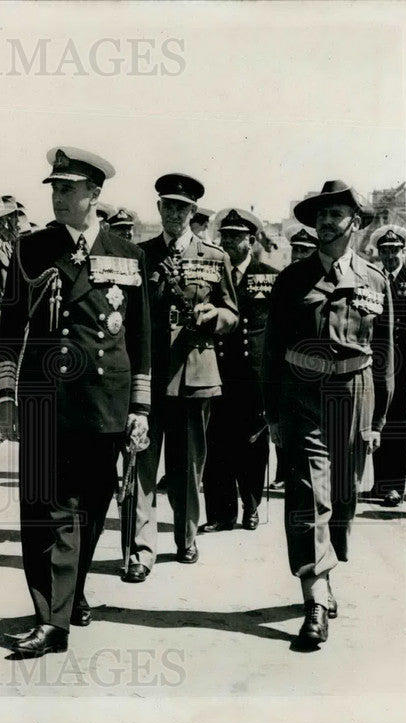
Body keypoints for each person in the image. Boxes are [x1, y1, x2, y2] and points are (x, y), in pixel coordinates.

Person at [0, 147, 151, 658]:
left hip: (105, 401)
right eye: (54, 188)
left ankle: (70, 592)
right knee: (45, 512)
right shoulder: (29, 249)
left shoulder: (128, 255)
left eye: (69, 189)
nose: (59, 197)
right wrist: (4, 395)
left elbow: (142, 339)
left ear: (94, 194)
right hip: (45, 400)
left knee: (92, 508)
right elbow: (10, 329)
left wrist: (140, 409)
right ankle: (52, 620)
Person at [262, 180, 393, 646]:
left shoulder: (375, 280)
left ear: (354, 222)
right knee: (305, 493)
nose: (325, 221)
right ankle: (315, 595)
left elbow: (384, 353)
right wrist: (273, 412)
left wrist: (377, 421)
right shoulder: (291, 279)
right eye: (320, 214)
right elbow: (272, 350)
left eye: (335, 214)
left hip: (355, 395)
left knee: (341, 497)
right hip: (303, 393)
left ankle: (327, 569)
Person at [132, 174, 238, 579]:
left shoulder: (214, 257)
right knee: (141, 461)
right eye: (168, 205)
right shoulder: (140, 255)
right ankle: (141, 550)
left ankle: (186, 536)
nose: (175, 213)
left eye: (182, 207)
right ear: (158, 209)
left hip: (195, 374)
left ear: (194, 212)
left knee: (188, 466)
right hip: (150, 376)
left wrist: (216, 317)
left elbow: (232, 311)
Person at [202, 209, 278, 532]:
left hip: (253, 375)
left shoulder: (270, 276)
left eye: (236, 236)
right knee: (216, 441)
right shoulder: (211, 274)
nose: (229, 241)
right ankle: (220, 513)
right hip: (217, 371)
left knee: (252, 443)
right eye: (225, 235)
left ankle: (251, 505)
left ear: (251, 240)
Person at [369, 225, 406, 507]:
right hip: (381, 362)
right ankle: (381, 483)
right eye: (385, 251)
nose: (390, 256)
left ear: (403, 251)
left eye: (394, 251)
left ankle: (395, 485)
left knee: (399, 424)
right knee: (378, 420)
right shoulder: (375, 279)